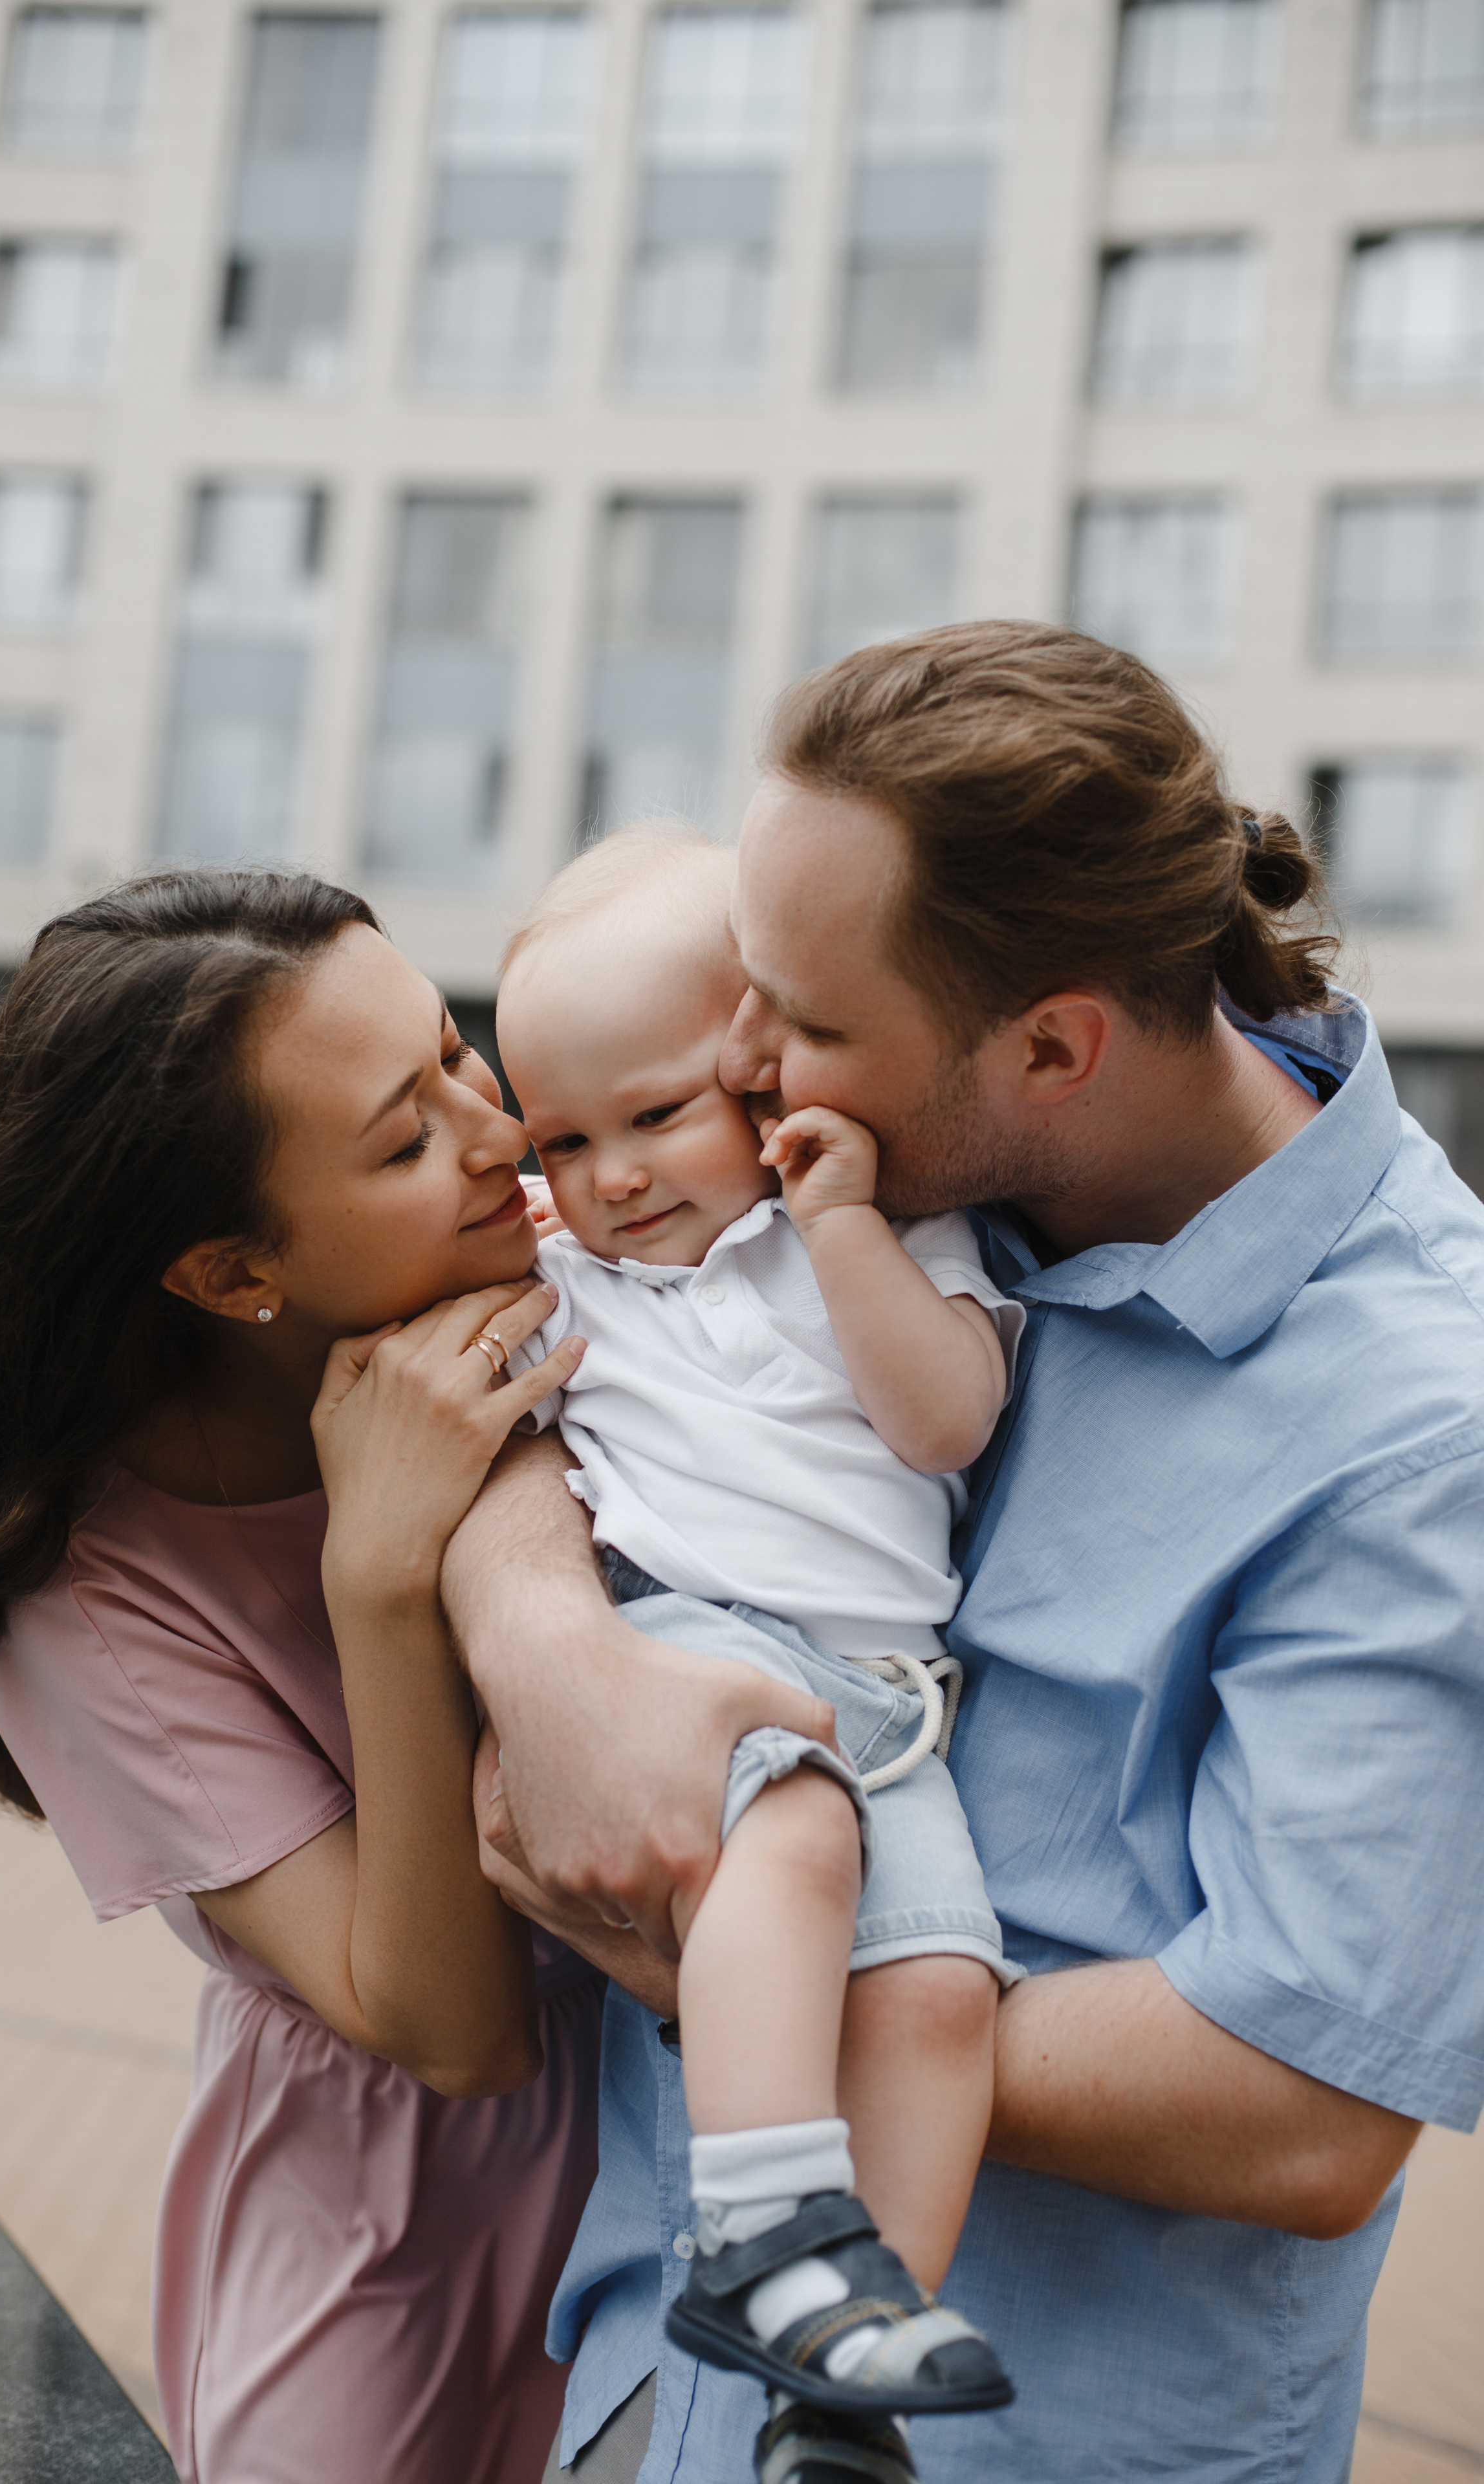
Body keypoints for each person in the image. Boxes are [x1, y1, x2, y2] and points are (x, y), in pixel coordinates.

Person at [438, 624, 1484, 2484]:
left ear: (1055, 1047)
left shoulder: (1429, 1421)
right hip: (638, 2389)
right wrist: (547, 1643)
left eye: (807, 1023)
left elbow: (1300, 2108)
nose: (741, 1058)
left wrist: (759, 1961)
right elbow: (547, 1362)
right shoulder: (884, 1163)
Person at [0, 869, 613, 2484]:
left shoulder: (573, 1262)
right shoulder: (87, 1600)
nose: (496, 1136)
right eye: (403, 1140)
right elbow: (452, 2034)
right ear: (228, 1269)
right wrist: (380, 1579)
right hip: (382, 2247)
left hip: (668, 2158)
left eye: (458, 1057)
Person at [494, 830, 1025, 2446]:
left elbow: (940, 1424)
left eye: (653, 1116)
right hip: (691, 1650)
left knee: (939, 1991)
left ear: (755, 1068)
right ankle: (760, 2232)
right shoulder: (572, 1273)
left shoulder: (857, 1238)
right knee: (789, 1858)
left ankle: (846, 2357)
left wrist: (848, 1227)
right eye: (565, 1138)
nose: (617, 1176)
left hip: (881, 1697)